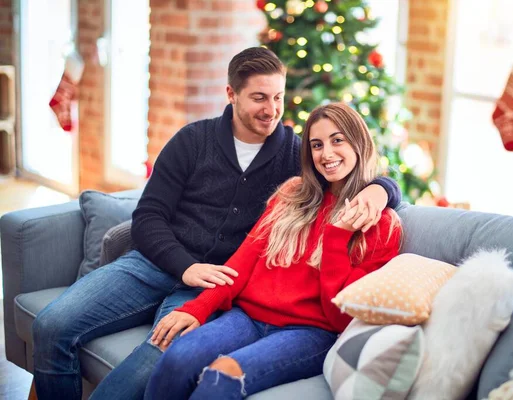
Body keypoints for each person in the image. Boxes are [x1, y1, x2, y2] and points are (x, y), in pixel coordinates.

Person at [31, 47, 400, 400]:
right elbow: (147, 217)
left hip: (217, 281)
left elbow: (347, 166)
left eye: (278, 98)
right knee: (51, 325)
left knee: (162, 348)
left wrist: (382, 189)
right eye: (259, 97)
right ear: (231, 94)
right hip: (155, 265)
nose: (271, 110)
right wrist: (185, 266)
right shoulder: (194, 141)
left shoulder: (296, 153)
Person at [144, 102, 403, 400]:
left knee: (221, 378)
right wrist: (198, 308)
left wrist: (336, 237)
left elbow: (340, 318)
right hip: (248, 317)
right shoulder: (292, 194)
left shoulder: (380, 225)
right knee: (177, 357)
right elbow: (244, 259)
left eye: (337, 140)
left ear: (359, 143)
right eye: (316, 145)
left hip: (310, 333)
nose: (326, 154)